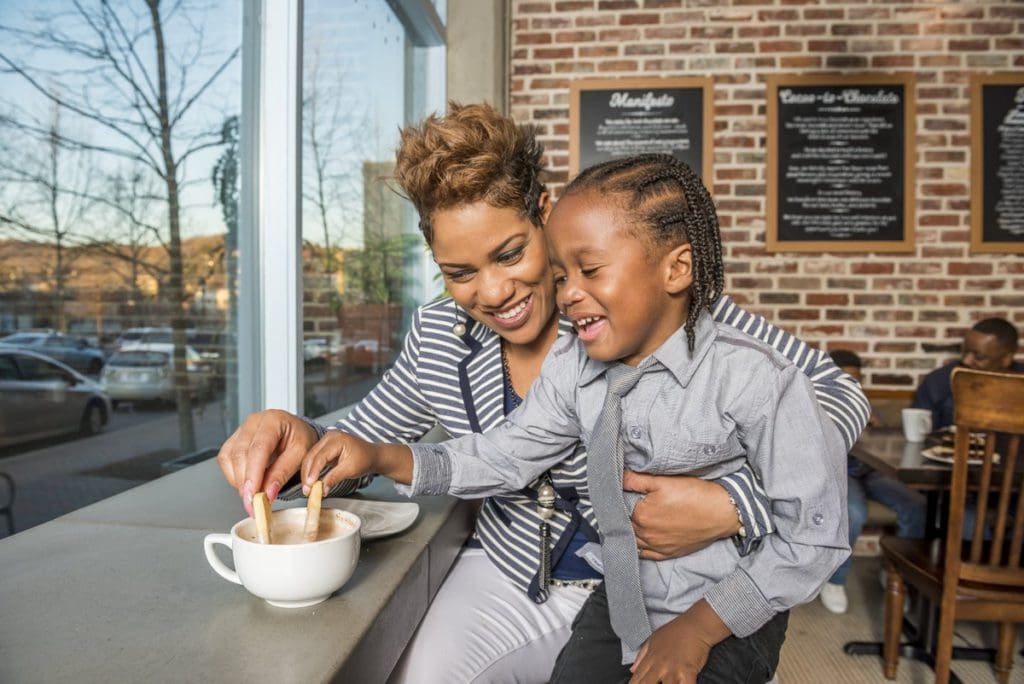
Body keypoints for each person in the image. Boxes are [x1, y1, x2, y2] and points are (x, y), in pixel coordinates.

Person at [217, 104, 868, 683]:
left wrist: (736, 502)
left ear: (547, 214)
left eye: (509, 253)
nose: (492, 292)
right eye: (460, 273)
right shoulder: (439, 336)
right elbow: (368, 440)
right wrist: (300, 436)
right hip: (508, 572)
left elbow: (836, 397)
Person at [817, 350, 926, 615]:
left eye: (855, 380)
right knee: (853, 512)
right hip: (842, 473)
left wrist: (873, 422)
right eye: (841, 379)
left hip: (873, 471)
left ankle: (896, 573)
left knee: (916, 505)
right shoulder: (816, 404)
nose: (849, 385)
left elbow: (883, 443)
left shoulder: (864, 404)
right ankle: (835, 580)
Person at [913, 318, 1022, 430]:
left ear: (1006, 359)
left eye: (979, 357)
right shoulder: (938, 381)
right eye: (965, 351)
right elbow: (919, 432)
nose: (966, 361)